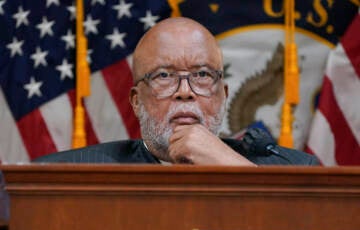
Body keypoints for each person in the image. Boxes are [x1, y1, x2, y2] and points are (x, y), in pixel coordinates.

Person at [34, 17, 318, 165]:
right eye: (164, 76)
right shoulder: (82, 175)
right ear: (136, 101)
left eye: (203, 75)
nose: (185, 92)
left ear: (223, 95)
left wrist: (231, 166)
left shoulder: (293, 168)